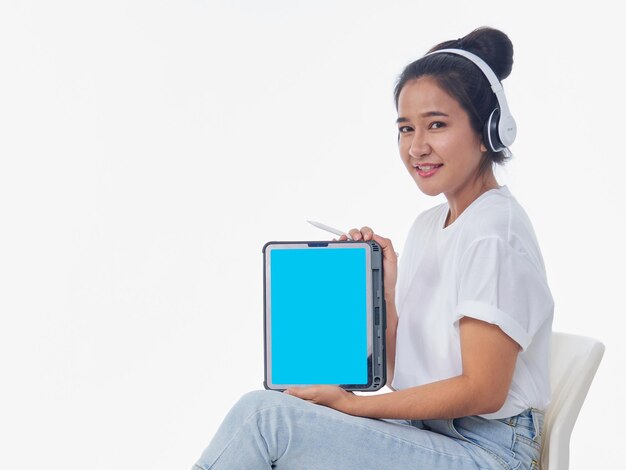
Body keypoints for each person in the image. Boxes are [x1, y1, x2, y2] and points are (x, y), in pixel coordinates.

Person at [192, 26, 553, 470]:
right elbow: (409, 375)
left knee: (265, 420)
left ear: (488, 132)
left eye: (436, 125)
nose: (417, 147)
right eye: (406, 128)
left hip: (488, 451)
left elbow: (483, 389)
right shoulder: (430, 226)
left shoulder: (495, 231)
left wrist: (350, 407)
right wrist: (384, 293)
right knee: (275, 410)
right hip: (430, 433)